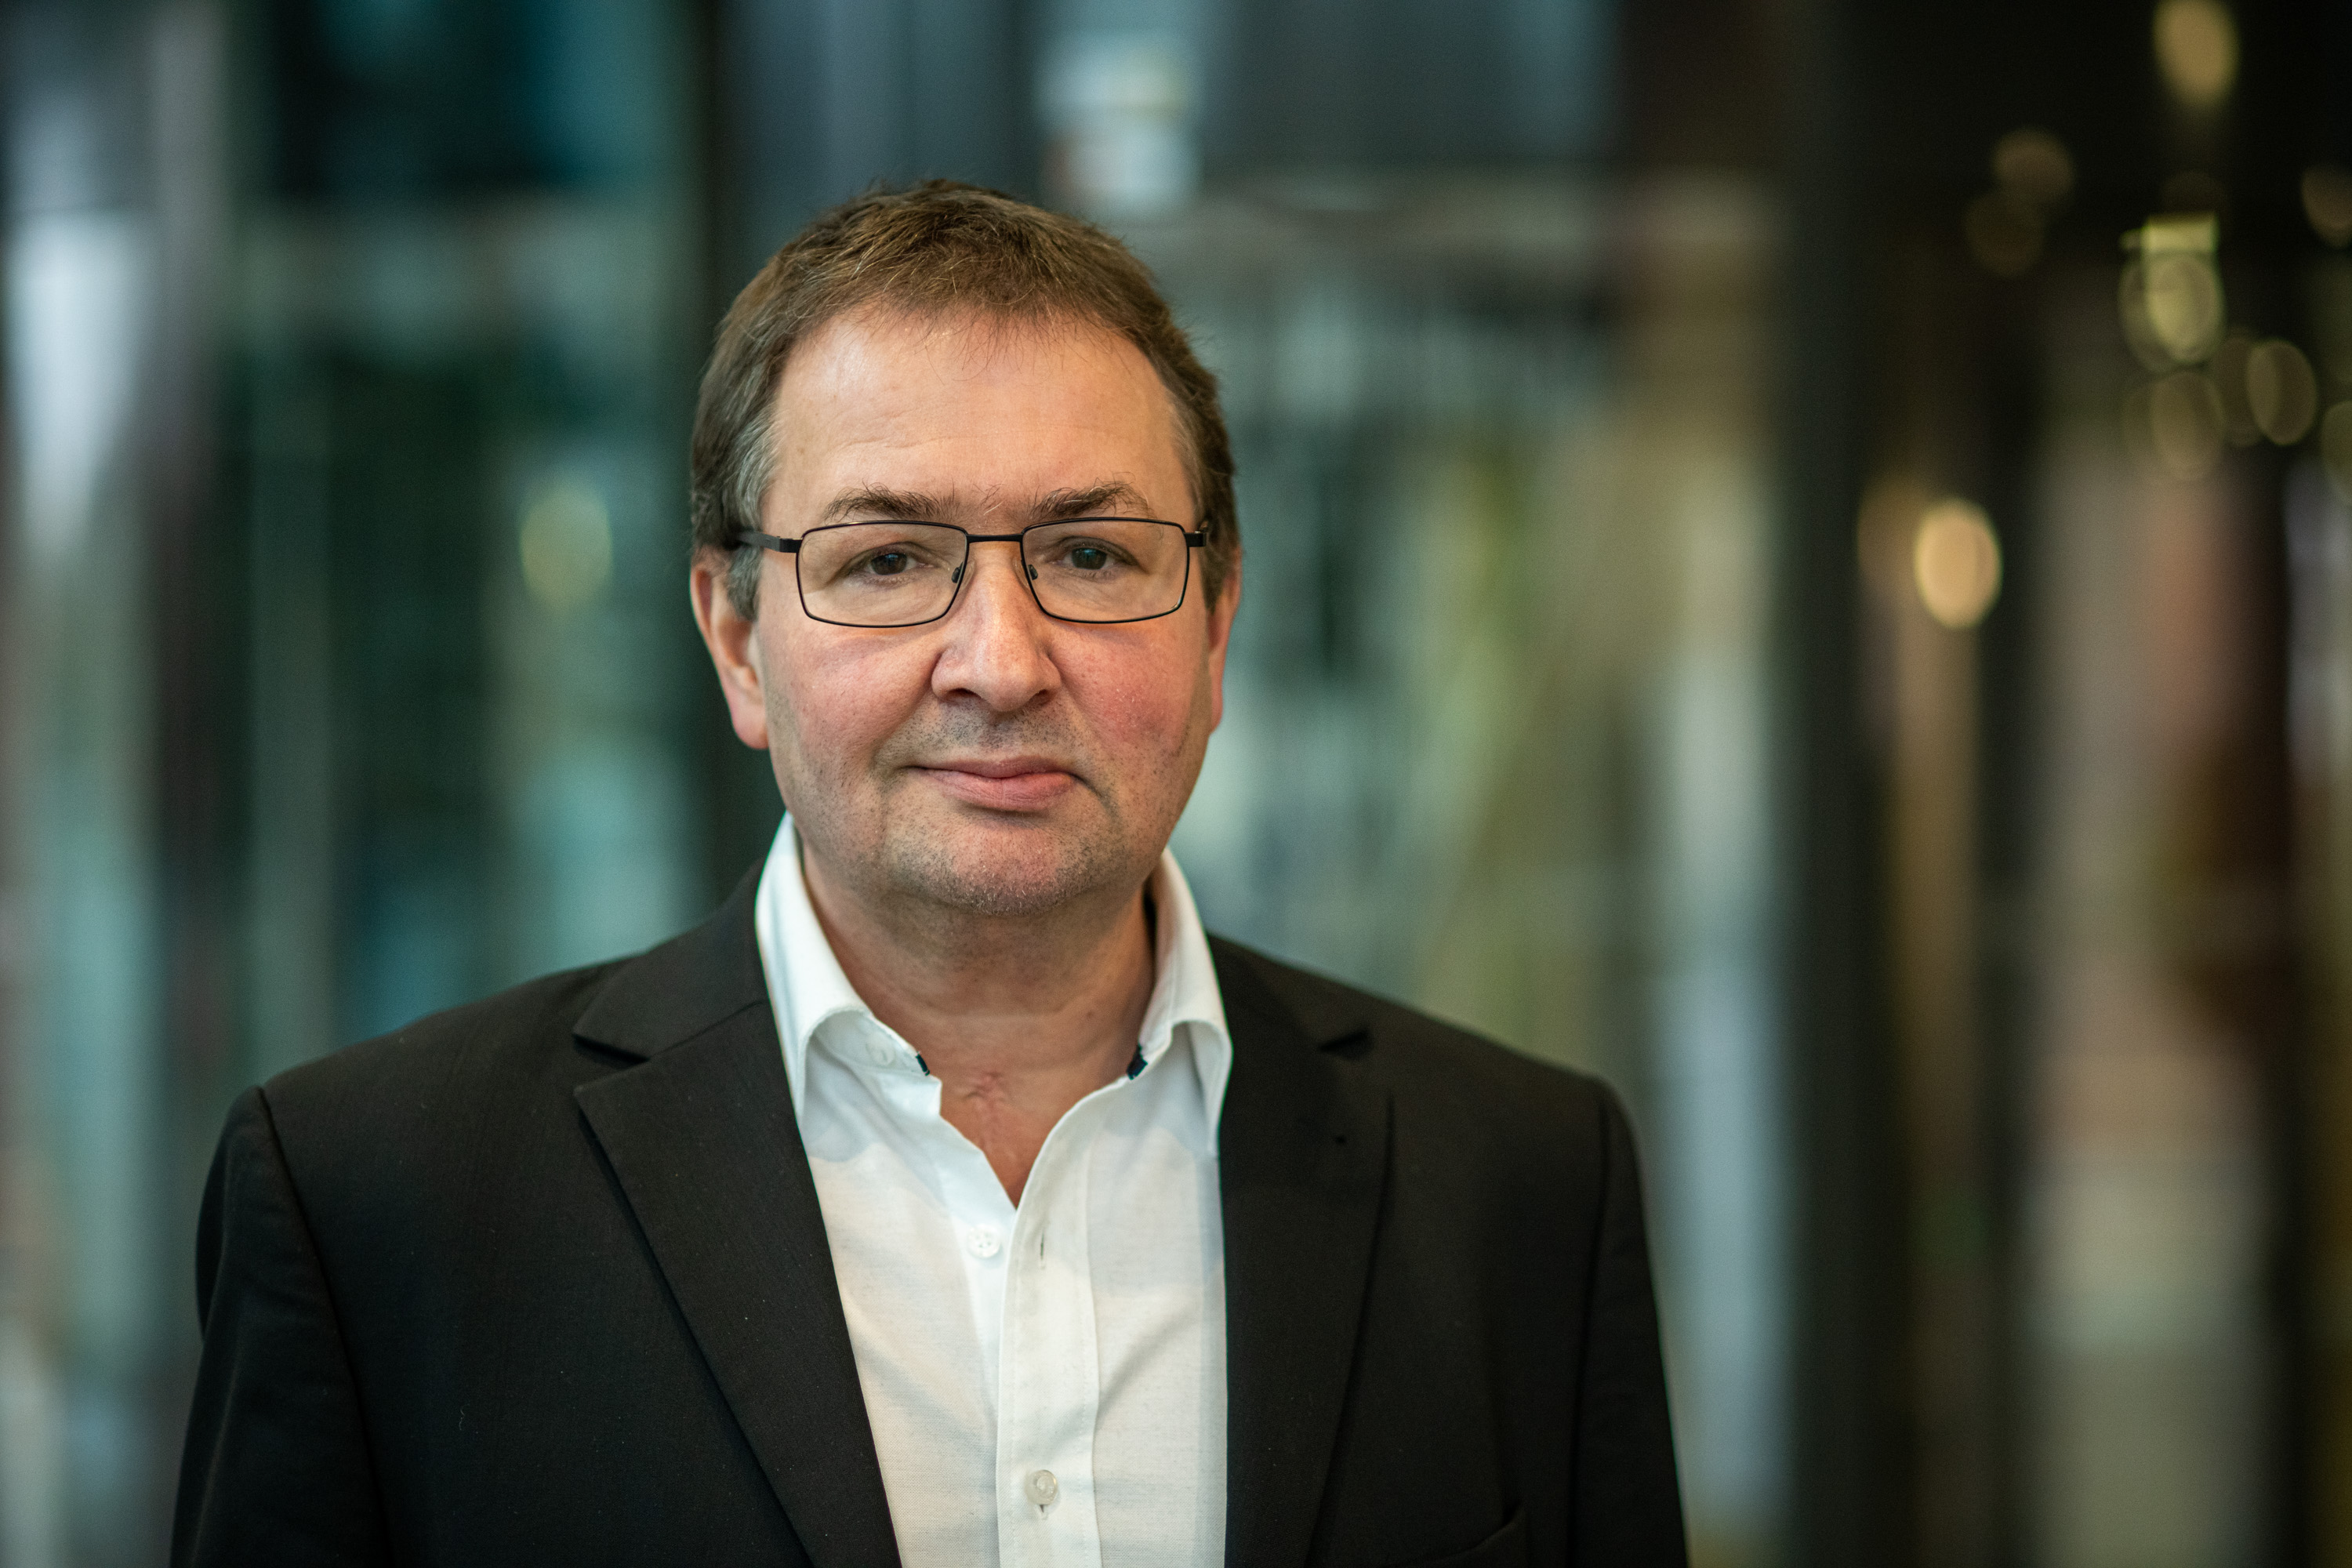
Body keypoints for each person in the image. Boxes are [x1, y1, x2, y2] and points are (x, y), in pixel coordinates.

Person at [173, 181, 1686, 1568]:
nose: (1001, 665)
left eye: (1092, 557)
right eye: (888, 561)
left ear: (1218, 622)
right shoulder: (377, 1203)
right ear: (736, 640)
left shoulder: (1523, 1183)